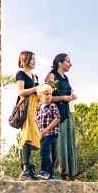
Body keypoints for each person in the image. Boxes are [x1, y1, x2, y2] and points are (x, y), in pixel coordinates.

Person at [46, 53, 77, 180]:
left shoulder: (66, 78)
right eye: (68, 61)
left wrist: (71, 97)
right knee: (58, 143)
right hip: (56, 115)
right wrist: (63, 98)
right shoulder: (52, 76)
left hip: (67, 113)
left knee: (67, 142)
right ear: (60, 63)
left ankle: (67, 173)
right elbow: (46, 96)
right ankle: (56, 171)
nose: (70, 64)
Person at [15, 51, 40, 180]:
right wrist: (36, 89)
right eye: (32, 59)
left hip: (34, 107)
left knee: (31, 135)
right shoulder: (21, 74)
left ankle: (27, 167)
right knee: (26, 135)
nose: (34, 61)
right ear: (26, 60)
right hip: (26, 107)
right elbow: (21, 92)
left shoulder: (35, 76)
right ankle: (25, 168)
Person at [35, 84, 61, 180]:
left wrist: (46, 130)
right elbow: (35, 122)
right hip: (42, 134)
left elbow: (57, 118)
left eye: (50, 94)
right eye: (46, 94)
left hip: (51, 132)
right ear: (40, 96)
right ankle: (51, 173)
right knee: (45, 151)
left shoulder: (52, 106)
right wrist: (39, 133)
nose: (49, 96)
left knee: (43, 150)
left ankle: (44, 170)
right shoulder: (38, 109)